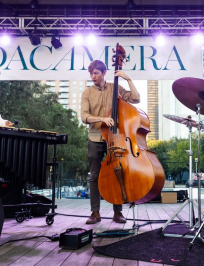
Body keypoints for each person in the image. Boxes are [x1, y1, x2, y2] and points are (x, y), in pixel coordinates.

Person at [81, 59, 140, 224]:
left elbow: (136, 99)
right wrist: (103, 119)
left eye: (96, 73)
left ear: (104, 73)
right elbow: (84, 117)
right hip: (95, 137)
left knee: (117, 171)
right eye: (91, 73)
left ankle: (118, 212)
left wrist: (128, 79)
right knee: (93, 176)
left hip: (115, 138)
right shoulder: (87, 93)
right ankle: (95, 212)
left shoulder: (116, 88)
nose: (93, 76)